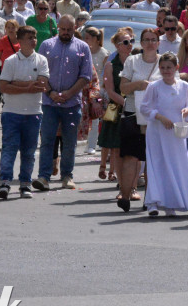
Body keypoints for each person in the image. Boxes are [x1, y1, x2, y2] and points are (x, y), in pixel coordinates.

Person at [33, 15, 92, 191]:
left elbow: (86, 76)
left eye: (69, 30)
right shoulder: (47, 45)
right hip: (49, 103)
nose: (65, 33)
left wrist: (69, 93)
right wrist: (50, 92)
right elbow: (40, 72)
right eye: (63, 29)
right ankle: (44, 177)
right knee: (47, 141)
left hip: (71, 103)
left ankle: (67, 175)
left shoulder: (82, 47)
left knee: (69, 142)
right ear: (58, 27)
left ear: (75, 28)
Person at [138, 52, 188, 217]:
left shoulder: (184, 86)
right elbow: (145, 108)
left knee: (174, 165)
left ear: (176, 68)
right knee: (157, 164)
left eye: (169, 68)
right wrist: (159, 117)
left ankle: (171, 203)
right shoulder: (154, 86)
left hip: (176, 133)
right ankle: (153, 203)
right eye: (163, 68)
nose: (166, 71)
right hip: (157, 131)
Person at [0, 27, 50, 199]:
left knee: (29, 151)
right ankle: (5, 182)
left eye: (35, 37)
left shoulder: (41, 60)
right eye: (29, 37)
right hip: (12, 112)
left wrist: (18, 84)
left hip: (34, 112)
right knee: (9, 148)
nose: (33, 40)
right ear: (20, 40)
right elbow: (4, 86)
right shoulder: (11, 61)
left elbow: (41, 85)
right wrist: (28, 86)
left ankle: (25, 183)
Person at [116, 28, 162, 211]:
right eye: (146, 40)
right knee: (130, 157)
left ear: (158, 43)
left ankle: (149, 200)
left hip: (155, 116)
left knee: (152, 159)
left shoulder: (165, 62)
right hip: (132, 113)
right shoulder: (132, 60)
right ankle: (125, 196)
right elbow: (123, 88)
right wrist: (140, 85)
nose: (150, 43)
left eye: (153, 40)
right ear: (141, 43)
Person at [100, 29, 133, 185]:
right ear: (118, 46)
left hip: (134, 109)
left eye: (131, 41)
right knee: (117, 147)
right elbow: (110, 91)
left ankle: (130, 180)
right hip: (118, 109)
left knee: (132, 148)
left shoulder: (136, 62)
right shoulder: (110, 66)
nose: (130, 45)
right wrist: (126, 103)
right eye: (126, 42)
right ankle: (119, 178)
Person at [83, 27, 110, 156]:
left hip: (97, 90)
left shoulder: (104, 54)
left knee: (95, 116)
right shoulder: (84, 51)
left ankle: (92, 144)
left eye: (87, 37)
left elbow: (105, 74)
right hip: (84, 88)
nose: (85, 40)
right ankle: (86, 141)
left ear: (95, 39)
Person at [0, 19, 20, 83]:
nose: (10, 30)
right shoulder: (2, 41)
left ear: (17, 28)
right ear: (5, 29)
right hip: (6, 71)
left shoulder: (21, 40)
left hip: (19, 70)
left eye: (13, 28)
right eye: (8, 27)